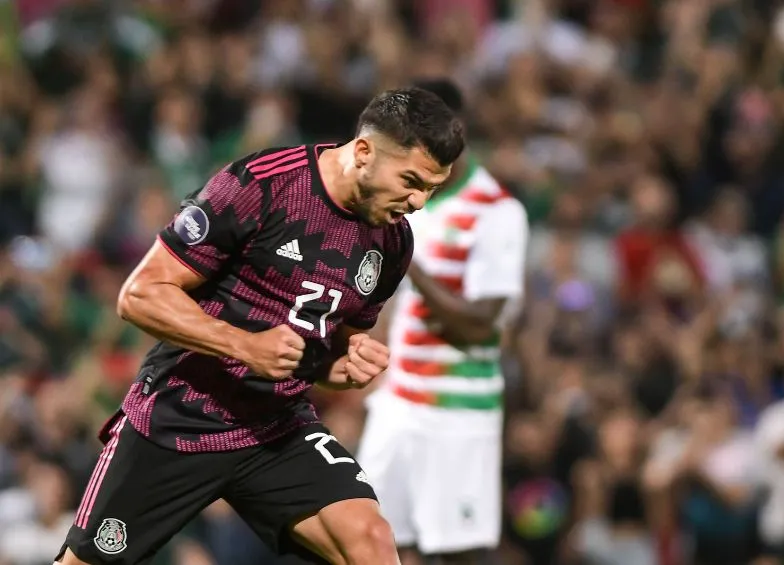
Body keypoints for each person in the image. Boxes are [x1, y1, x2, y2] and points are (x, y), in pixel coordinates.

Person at [54, 87, 465, 565]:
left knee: (370, 542)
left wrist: (348, 359)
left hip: (276, 425)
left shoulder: (393, 243)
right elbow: (140, 296)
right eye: (411, 180)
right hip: (182, 416)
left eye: (432, 188)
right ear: (364, 151)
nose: (418, 201)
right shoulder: (262, 184)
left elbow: (322, 347)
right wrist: (245, 346)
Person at [357, 79, 529, 565]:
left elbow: (479, 326)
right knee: (374, 540)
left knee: (457, 555)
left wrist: (406, 257)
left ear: (457, 133)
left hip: (457, 413)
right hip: (399, 402)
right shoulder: (415, 199)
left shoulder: (496, 212)